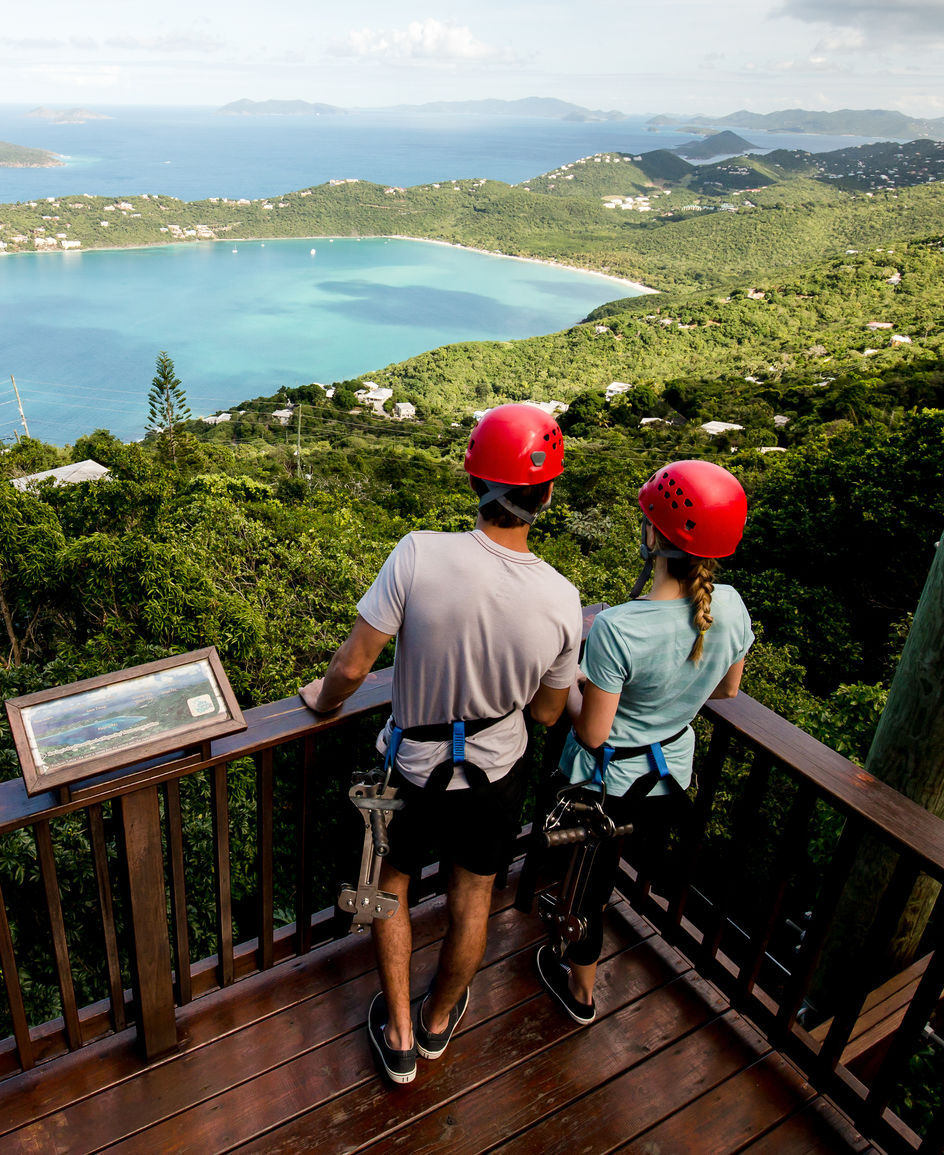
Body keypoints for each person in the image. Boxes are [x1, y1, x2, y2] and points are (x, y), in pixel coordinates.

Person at [299, 403, 581, 1085]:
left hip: (412, 766)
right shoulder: (562, 598)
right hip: (496, 772)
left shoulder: (419, 552)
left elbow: (352, 667)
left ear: (473, 478)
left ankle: (396, 1030)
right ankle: (436, 1021)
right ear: (546, 495)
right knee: (473, 898)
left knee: (387, 886)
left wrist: (322, 699)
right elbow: (547, 713)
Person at [535, 459, 752, 1024]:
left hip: (607, 785)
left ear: (654, 534)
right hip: (671, 776)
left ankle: (580, 993)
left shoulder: (617, 628)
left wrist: (575, 683)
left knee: (589, 882)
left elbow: (591, 731)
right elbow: (727, 690)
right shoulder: (729, 607)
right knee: (608, 873)